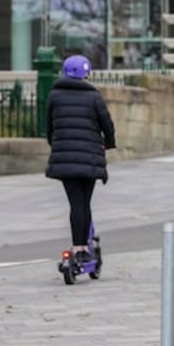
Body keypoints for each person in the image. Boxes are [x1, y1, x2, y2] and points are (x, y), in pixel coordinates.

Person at [45, 54, 116, 261]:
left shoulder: (54, 96)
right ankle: (82, 249)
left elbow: (49, 127)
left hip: (64, 157)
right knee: (84, 203)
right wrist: (109, 143)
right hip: (90, 158)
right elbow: (107, 125)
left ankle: (78, 245)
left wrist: (56, 145)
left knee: (75, 203)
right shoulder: (94, 96)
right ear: (86, 74)